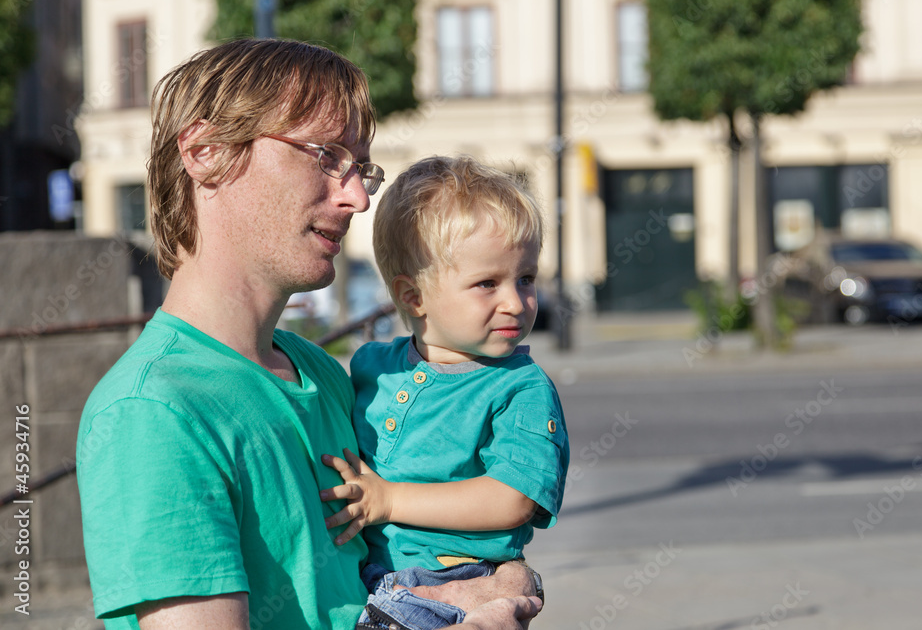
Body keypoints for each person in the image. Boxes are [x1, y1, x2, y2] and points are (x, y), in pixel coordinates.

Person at [75, 38, 540, 630]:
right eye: (325, 156)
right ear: (206, 151)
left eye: (361, 169)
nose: (358, 197)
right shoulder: (153, 411)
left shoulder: (318, 370)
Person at [318, 156, 570, 629]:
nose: (515, 301)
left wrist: (389, 501)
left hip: (455, 587)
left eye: (526, 278)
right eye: (487, 284)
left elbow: (514, 498)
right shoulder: (374, 365)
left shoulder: (520, 387)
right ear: (414, 297)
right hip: (369, 579)